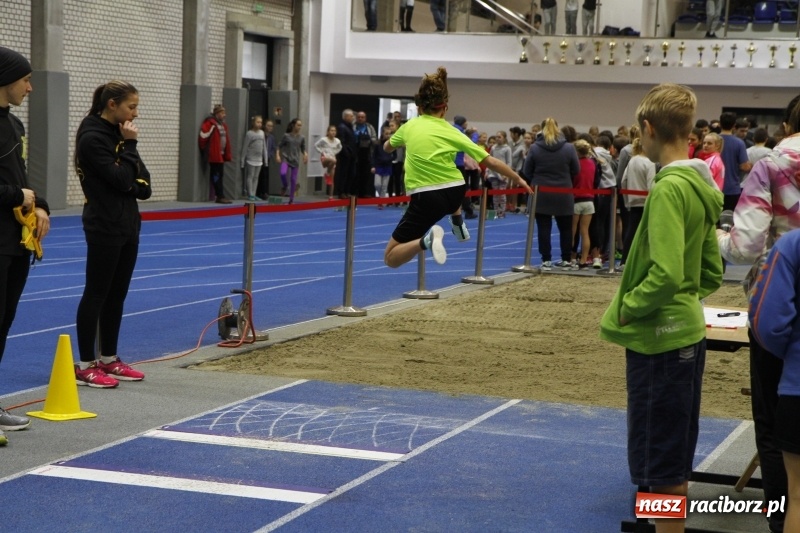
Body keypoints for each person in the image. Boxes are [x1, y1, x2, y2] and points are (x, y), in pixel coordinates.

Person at [600, 83, 724, 533]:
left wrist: (630, 306)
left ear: (648, 130)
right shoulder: (700, 184)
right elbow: (710, 269)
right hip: (687, 331)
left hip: (660, 339)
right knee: (672, 459)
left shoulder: (670, 188)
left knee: (659, 469)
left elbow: (667, 273)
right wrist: (686, 298)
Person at [717, 93, 800, 533]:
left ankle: (780, 520)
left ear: (787, 126)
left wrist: (712, 238)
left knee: (772, 425)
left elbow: (745, 247)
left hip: (779, 303)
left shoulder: (770, 165)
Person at [382, 67, 531, 268]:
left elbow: (387, 147)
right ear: (444, 109)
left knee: (390, 258)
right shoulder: (453, 131)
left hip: (427, 195)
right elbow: (490, 161)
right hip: (456, 191)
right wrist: (519, 179)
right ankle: (458, 223)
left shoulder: (409, 127)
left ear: (419, 108)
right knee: (451, 184)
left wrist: (395, 141)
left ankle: (426, 241)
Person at [74, 80, 151, 388]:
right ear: (112, 105)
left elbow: (143, 186)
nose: (136, 113)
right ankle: (85, 365)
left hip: (128, 225)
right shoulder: (93, 137)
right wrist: (129, 149)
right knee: (96, 293)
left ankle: (109, 358)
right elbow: (121, 179)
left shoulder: (120, 134)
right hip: (103, 224)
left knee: (117, 295)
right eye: (131, 106)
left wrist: (127, 173)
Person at [0, 46, 50, 443]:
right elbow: (14, 187)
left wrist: (41, 205)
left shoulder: (13, 125)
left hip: (15, 242)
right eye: (25, 80)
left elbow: (21, 175)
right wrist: (17, 196)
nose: (30, 88)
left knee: (3, 323)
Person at [749, 228, 800, 533]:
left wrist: (790, 356)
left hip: (797, 387)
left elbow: (766, 322)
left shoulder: (792, 244)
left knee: (797, 497)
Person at [523, 117, 580, 271]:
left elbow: (526, 171)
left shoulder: (535, 148)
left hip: (542, 193)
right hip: (564, 192)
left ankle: (546, 260)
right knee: (566, 228)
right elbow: (576, 170)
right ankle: (566, 259)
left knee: (543, 227)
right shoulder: (569, 148)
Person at [619, 137, 656, 267]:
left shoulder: (632, 161)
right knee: (646, 234)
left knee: (631, 231)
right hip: (645, 202)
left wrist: (627, 200)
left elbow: (623, 180)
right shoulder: (649, 163)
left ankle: (625, 260)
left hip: (633, 201)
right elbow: (651, 184)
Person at [198, 105, 232, 204]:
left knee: (220, 175)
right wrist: (205, 149)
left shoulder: (223, 125)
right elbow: (203, 136)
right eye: (222, 113)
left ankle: (220, 195)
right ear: (217, 114)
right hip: (214, 155)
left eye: (224, 113)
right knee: (216, 175)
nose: (224, 115)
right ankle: (219, 196)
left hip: (220, 154)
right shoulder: (211, 123)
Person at [719, 112, 752, 211]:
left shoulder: (713, 140)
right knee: (728, 220)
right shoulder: (739, 143)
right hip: (732, 188)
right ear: (734, 126)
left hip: (714, 186)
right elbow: (744, 166)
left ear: (720, 124)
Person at [571, 139, 596, 268]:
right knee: (585, 232)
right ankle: (584, 259)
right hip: (589, 200)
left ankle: (571, 257)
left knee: (572, 231)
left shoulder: (575, 165)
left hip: (576, 200)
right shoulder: (593, 163)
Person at [275, 118, 308, 205]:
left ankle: (291, 199)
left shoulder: (302, 137)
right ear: (293, 125)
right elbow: (279, 146)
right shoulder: (286, 136)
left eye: (300, 125)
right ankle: (285, 186)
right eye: (298, 125)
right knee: (282, 173)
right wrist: (277, 155)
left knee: (293, 179)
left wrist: (305, 154)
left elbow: (303, 148)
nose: (299, 127)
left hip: (295, 160)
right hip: (286, 158)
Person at [240, 115, 268, 201]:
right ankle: (250, 194)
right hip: (250, 159)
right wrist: (242, 160)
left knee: (256, 177)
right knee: (250, 176)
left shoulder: (262, 133)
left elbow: (264, 147)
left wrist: (265, 159)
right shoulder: (249, 133)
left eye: (261, 122)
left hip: (259, 159)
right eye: (258, 122)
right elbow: (245, 147)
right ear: (253, 123)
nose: (259, 124)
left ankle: (254, 193)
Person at [486, 130, 512, 218]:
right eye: (496, 137)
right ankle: (495, 211)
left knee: (502, 194)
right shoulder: (493, 148)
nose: (497, 139)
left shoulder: (507, 148)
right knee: (495, 194)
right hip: (494, 174)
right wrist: (487, 171)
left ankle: (502, 211)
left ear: (504, 138)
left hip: (503, 174)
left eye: (499, 137)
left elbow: (509, 162)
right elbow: (489, 160)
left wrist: (506, 173)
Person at [354, 111, 378, 197]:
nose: (360, 119)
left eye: (362, 117)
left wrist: (369, 139)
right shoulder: (353, 127)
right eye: (359, 117)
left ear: (365, 118)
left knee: (366, 174)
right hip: (356, 153)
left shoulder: (370, 127)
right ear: (356, 118)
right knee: (356, 174)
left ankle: (365, 193)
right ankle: (355, 193)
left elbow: (375, 138)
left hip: (368, 153)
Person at [315, 125, 342, 200]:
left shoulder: (337, 141)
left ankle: (331, 196)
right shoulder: (324, 139)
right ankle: (327, 173)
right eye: (331, 130)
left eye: (334, 131)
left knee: (331, 179)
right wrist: (321, 151)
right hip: (325, 158)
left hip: (332, 158)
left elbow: (340, 147)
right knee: (334, 160)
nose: (333, 132)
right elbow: (316, 145)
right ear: (328, 132)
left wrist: (335, 152)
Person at [335, 109, 357, 198]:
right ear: (346, 117)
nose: (353, 118)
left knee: (351, 174)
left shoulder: (350, 127)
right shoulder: (341, 127)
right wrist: (346, 153)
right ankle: (341, 192)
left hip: (352, 154)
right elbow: (342, 141)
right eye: (351, 116)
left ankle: (347, 191)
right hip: (345, 155)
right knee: (343, 174)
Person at [372, 125, 394, 207]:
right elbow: (374, 155)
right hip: (379, 166)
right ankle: (381, 197)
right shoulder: (378, 144)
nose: (388, 135)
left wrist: (389, 158)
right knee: (377, 184)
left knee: (384, 186)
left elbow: (394, 155)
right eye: (386, 133)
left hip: (387, 166)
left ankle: (381, 202)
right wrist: (373, 166)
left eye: (389, 134)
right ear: (382, 134)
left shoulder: (392, 144)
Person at [256, 119, 276, 200]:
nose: (270, 127)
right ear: (264, 126)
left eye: (271, 126)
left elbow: (273, 147)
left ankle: (264, 192)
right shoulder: (261, 135)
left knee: (265, 175)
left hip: (267, 158)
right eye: (268, 125)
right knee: (259, 175)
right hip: (259, 157)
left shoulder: (272, 137)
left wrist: (270, 155)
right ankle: (258, 192)